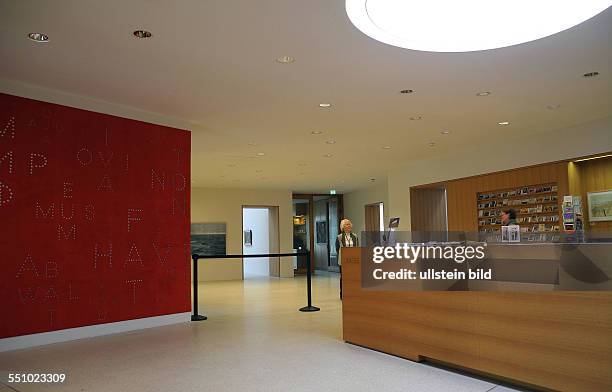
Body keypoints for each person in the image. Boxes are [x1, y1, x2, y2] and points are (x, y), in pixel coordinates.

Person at [336, 218, 359, 299]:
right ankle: (343, 294)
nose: (349, 226)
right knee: (344, 277)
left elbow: (357, 247)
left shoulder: (355, 236)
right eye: (346, 224)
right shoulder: (339, 237)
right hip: (343, 260)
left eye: (349, 224)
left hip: (353, 260)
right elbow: (337, 249)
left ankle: (352, 292)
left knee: (352, 277)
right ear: (343, 226)